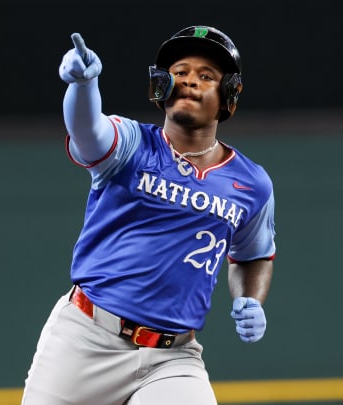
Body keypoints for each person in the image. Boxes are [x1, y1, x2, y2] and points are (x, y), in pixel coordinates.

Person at [21, 25, 276, 405]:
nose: (189, 80)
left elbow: (252, 254)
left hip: (173, 357)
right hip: (87, 339)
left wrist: (252, 299)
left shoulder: (251, 183)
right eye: (180, 71)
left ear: (228, 96)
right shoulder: (133, 144)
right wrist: (82, 87)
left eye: (206, 76)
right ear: (161, 86)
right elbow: (88, 130)